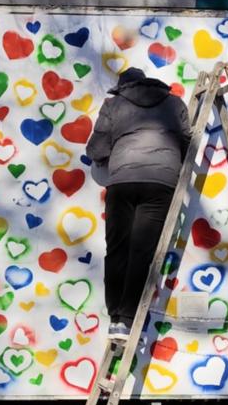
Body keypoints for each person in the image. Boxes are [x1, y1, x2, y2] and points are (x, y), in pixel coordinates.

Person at [83, 67, 195, 336]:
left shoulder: (113, 105)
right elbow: (187, 142)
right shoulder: (175, 103)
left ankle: (115, 317)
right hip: (161, 182)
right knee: (142, 251)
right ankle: (127, 319)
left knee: (117, 248)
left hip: (123, 181)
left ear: (123, 87)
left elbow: (96, 149)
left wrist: (113, 151)